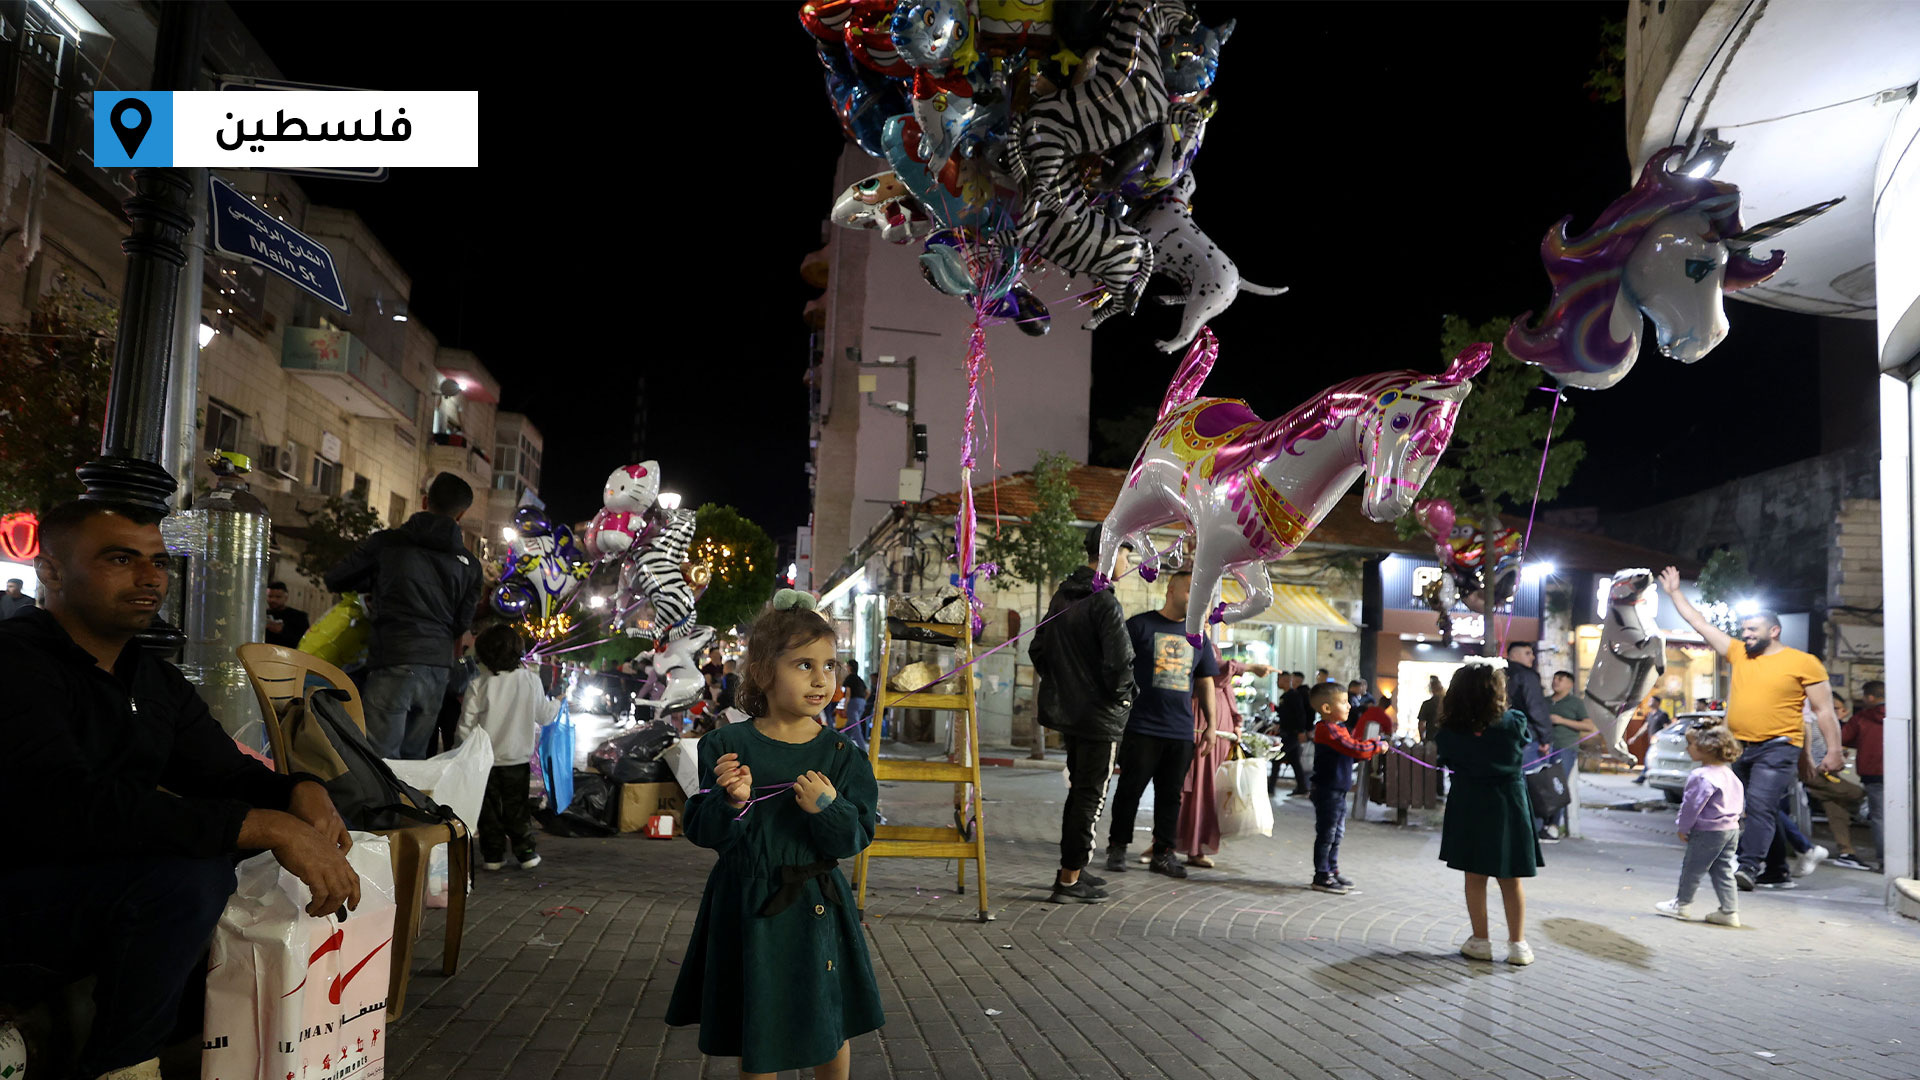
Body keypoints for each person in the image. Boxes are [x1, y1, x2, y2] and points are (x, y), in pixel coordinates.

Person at [0, 501, 360, 1080]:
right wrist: (266, 824)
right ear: (51, 571)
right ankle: (121, 1068)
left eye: (160, 562)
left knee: (231, 855)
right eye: (120, 559)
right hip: (22, 883)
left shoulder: (149, 676)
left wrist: (301, 790)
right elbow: (65, 806)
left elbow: (224, 772)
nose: (150, 578)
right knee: (187, 876)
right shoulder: (17, 663)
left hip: (90, 877)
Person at [665, 590, 882, 1080]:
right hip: (747, 905)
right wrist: (732, 801)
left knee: (829, 1018)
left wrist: (828, 809)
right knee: (758, 1020)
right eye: (803, 664)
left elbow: (856, 835)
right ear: (763, 671)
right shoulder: (726, 745)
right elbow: (703, 828)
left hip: (815, 904)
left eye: (830, 665)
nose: (822, 678)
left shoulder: (842, 755)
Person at [1656, 567, 1842, 891]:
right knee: (1751, 807)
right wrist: (1673, 593)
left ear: (1775, 629)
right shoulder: (1738, 653)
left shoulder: (1804, 662)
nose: (1747, 635)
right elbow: (1699, 623)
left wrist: (1834, 750)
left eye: (1753, 629)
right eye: (1744, 630)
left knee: (1759, 805)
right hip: (1739, 745)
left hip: (1780, 745)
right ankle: (1779, 870)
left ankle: (1748, 867)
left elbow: (1824, 710)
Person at [325, 472, 485, 759]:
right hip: (436, 669)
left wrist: (377, 585)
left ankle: (381, 805)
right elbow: (461, 624)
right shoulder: (470, 565)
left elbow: (336, 578)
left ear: (425, 501)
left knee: (380, 760)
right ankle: (408, 805)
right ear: (461, 514)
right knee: (415, 762)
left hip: (393, 659)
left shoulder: (387, 544)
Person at [1029, 530, 1133, 903]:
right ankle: (1070, 880)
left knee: (1080, 794)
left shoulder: (1063, 595)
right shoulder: (1103, 601)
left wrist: (1063, 686)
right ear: (1111, 553)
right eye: (1126, 554)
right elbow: (1120, 663)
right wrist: (1122, 700)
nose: (1128, 563)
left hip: (1071, 714)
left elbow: (1038, 648)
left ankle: (1072, 870)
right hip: (1098, 717)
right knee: (1091, 796)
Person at [1106, 568, 1218, 879]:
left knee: (1171, 795)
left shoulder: (1198, 636)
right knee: (1130, 790)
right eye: (1191, 592)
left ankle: (1164, 853)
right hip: (1141, 727)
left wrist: (1211, 724)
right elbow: (1115, 670)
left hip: (1180, 731)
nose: (1198, 600)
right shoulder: (1139, 626)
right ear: (1172, 591)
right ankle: (1117, 847)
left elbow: (1206, 681)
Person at [1436, 660, 1542, 966]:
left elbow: (1446, 758)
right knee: (1510, 878)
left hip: (1468, 802)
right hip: (1508, 803)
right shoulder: (1514, 721)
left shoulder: (1449, 730)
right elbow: (1522, 741)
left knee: (1474, 875)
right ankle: (1518, 945)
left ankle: (1480, 941)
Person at [459, 624, 559, 871]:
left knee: (488, 810)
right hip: (517, 759)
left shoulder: (478, 684)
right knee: (517, 808)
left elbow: (466, 726)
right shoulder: (530, 680)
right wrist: (557, 704)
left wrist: (460, 753)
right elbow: (544, 716)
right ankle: (525, 852)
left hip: (485, 762)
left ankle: (493, 856)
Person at [1178, 631, 1270, 868]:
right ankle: (1167, 841)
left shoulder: (1213, 647)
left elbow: (1226, 687)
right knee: (1188, 786)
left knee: (1210, 788)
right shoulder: (1188, 644)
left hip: (1220, 727)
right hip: (1198, 721)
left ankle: (1197, 847)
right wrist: (1248, 667)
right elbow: (1214, 671)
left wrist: (1236, 721)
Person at [1653, 721, 1744, 926]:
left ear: (1707, 749)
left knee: (1692, 868)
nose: (1687, 748)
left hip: (1708, 830)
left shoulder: (1701, 776)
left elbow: (1691, 806)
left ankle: (1682, 904)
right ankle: (1729, 911)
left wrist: (1683, 827)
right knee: (1723, 869)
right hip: (1731, 829)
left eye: (1691, 744)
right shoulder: (1729, 774)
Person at [1307, 682, 1385, 894]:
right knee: (1327, 833)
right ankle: (1321, 875)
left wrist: (1370, 746)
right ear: (1326, 709)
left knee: (1336, 832)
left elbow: (1351, 751)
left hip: (1337, 789)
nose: (1349, 705)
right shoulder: (1327, 730)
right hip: (1327, 790)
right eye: (1343, 702)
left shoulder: (1339, 729)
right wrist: (1376, 746)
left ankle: (1332, 870)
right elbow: (1355, 749)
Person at [1801, 695, 1871, 871]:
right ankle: (1864, 808)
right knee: (1858, 793)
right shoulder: (1812, 722)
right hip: (1814, 772)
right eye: (1837, 708)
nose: (1841, 712)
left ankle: (1846, 852)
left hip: (1823, 772)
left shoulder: (1827, 725)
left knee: (1836, 809)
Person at [1504, 641, 1556, 841]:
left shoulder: (1501, 675)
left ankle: (1513, 827)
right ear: (1514, 655)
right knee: (1533, 785)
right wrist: (1546, 737)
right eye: (1528, 653)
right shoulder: (1527, 676)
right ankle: (1531, 830)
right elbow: (1536, 707)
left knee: (1512, 783)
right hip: (1529, 737)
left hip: (1507, 737)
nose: (1532, 657)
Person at [1545, 670, 1596, 833]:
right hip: (1544, 748)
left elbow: (1588, 726)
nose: (1556, 682)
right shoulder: (1544, 701)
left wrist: (1561, 721)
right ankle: (1542, 822)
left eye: (1560, 679)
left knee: (1558, 785)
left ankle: (1554, 824)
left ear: (1570, 684)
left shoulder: (1575, 703)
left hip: (1565, 748)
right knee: (1542, 785)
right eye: (1554, 678)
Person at [1842, 680, 1886, 868]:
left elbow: (1844, 737)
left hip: (1874, 774)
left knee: (1879, 817)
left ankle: (1885, 861)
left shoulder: (1862, 718)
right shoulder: (1906, 713)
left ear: (1870, 697)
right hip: (1905, 774)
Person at [1274, 671, 1314, 797]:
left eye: (1279, 680)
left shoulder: (1294, 695)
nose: (1276, 682)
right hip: (1288, 732)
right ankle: (1302, 787)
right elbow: (1287, 714)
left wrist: (1301, 731)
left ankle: (1269, 788)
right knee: (1294, 761)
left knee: (1276, 758)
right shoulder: (1286, 696)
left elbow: (1300, 714)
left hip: (1292, 733)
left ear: (1285, 681)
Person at [262, 579, 310, 648]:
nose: (273, 600)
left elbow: (304, 641)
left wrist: (282, 630)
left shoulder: (299, 617)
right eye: (270, 596)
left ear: (286, 597)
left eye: (278, 597)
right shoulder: (260, 615)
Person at [839, 659, 868, 741]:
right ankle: (841, 744)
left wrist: (845, 707)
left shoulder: (849, 678)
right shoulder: (860, 679)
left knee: (855, 728)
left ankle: (863, 750)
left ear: (849, 667)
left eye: (846, 666)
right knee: (849, 727)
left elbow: (848, 694)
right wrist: (863, 701)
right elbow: (868, 692)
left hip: (853, 703)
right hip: (862, 703)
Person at [1416, 675, 1445, 742]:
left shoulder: (1427, 704)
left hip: (1431, 738)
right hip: (1445, 739)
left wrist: (1422, 739)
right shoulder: (1448, 703)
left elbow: (1421, 725)